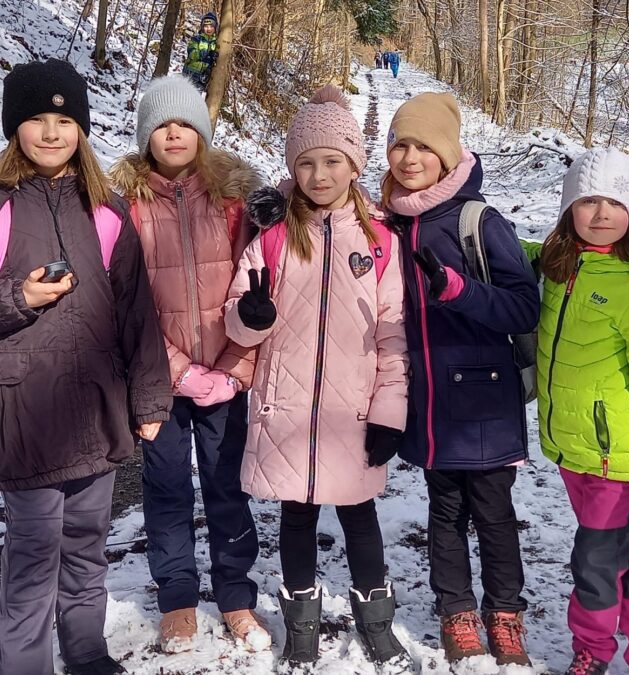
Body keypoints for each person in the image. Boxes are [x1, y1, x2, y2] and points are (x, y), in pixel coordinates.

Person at [0, 59, 171, 675]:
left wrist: (149, 398)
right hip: (21, 413)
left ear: (81, 128)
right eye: (36, 119)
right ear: (15, 128)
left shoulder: (108, 211)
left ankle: (86, 654)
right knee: (34, 557)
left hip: (95, 408)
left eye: (64, 120)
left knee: (87, 548)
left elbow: (138, 313)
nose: (52, 132)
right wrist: (17, 296)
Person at [224, 85, 411, 670]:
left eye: (333, 161)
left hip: (352, 409)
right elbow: (237, 315)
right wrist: (250, 317)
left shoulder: (380, 241)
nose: (319, 174)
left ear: (355, 166)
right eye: (306, 163)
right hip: (287, 407)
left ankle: (375, 621)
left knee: (359, 514)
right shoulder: (274, 236)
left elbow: (394, 334)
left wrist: (390, 411)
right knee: (296, 516)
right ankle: (301, 624)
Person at [108, 75, 269, 653]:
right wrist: (179, 371)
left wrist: (232, 370)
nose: (173, 134)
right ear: (145, 136)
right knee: (167, 486)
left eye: (184, 124)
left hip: (226, 377)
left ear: (202, 132)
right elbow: (127, 301)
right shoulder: (126, 207)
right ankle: (177, 597)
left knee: (227, 486)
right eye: (161, 125)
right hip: (159, 378)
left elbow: (258, 289)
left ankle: (236, 595)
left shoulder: (233, 200)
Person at [380, 92, 540, 667]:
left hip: (484, 400)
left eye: (424, 147)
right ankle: (457, 614)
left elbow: (524, 307)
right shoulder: (389, 223)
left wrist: (459, 290)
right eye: (400, 144)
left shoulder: (478, 220)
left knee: (494, 514)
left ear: (447, 154)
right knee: (444, 513)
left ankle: (506, 615)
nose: (410, 157)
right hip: (428, 402)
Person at [522, 147, 629, 675]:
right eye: (587, 201)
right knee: (621, 558)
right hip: (572, 449)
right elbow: (511, 250)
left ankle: (592, 650)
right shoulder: (558, 266)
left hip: (619, 456)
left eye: (614, 203)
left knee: (593, 562)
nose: (600, 214)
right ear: (568, 208)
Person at [183, 12, 219, 92]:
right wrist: (206, 54)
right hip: (191, 73)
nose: (209, 29)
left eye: (211, 26)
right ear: (202, 27)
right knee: (185, 95)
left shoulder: (216, 42)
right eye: (206, 26)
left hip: (203, 76)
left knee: (196, 97)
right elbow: (192, 54)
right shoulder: (197, 39)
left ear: (215, 27)